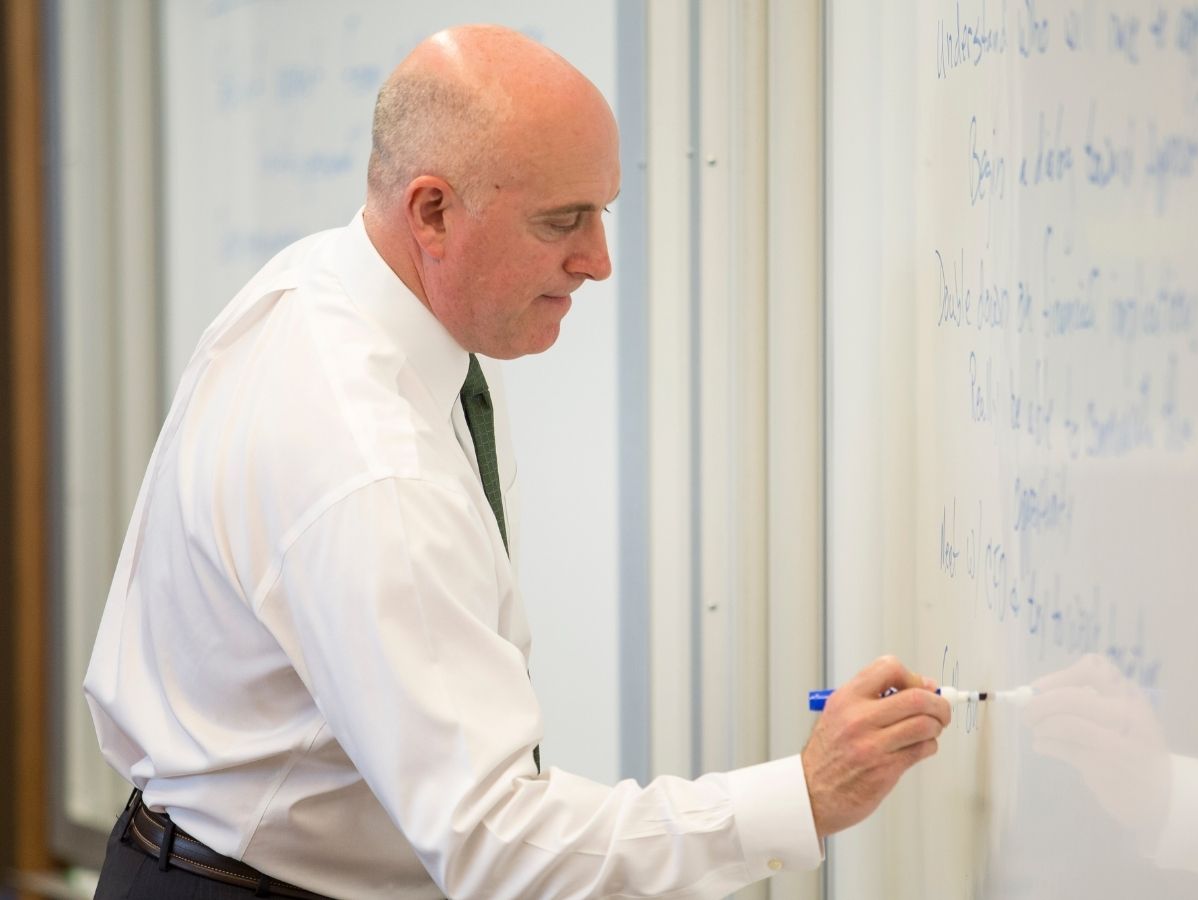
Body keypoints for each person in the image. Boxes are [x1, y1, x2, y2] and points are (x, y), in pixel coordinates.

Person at [84, 24, 950, 899]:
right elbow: (498, 847)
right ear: (431, 211)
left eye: (602, 211)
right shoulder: (370, 463)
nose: (598, 262)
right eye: (562, 221)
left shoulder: (323, 290)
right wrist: (800, 798)